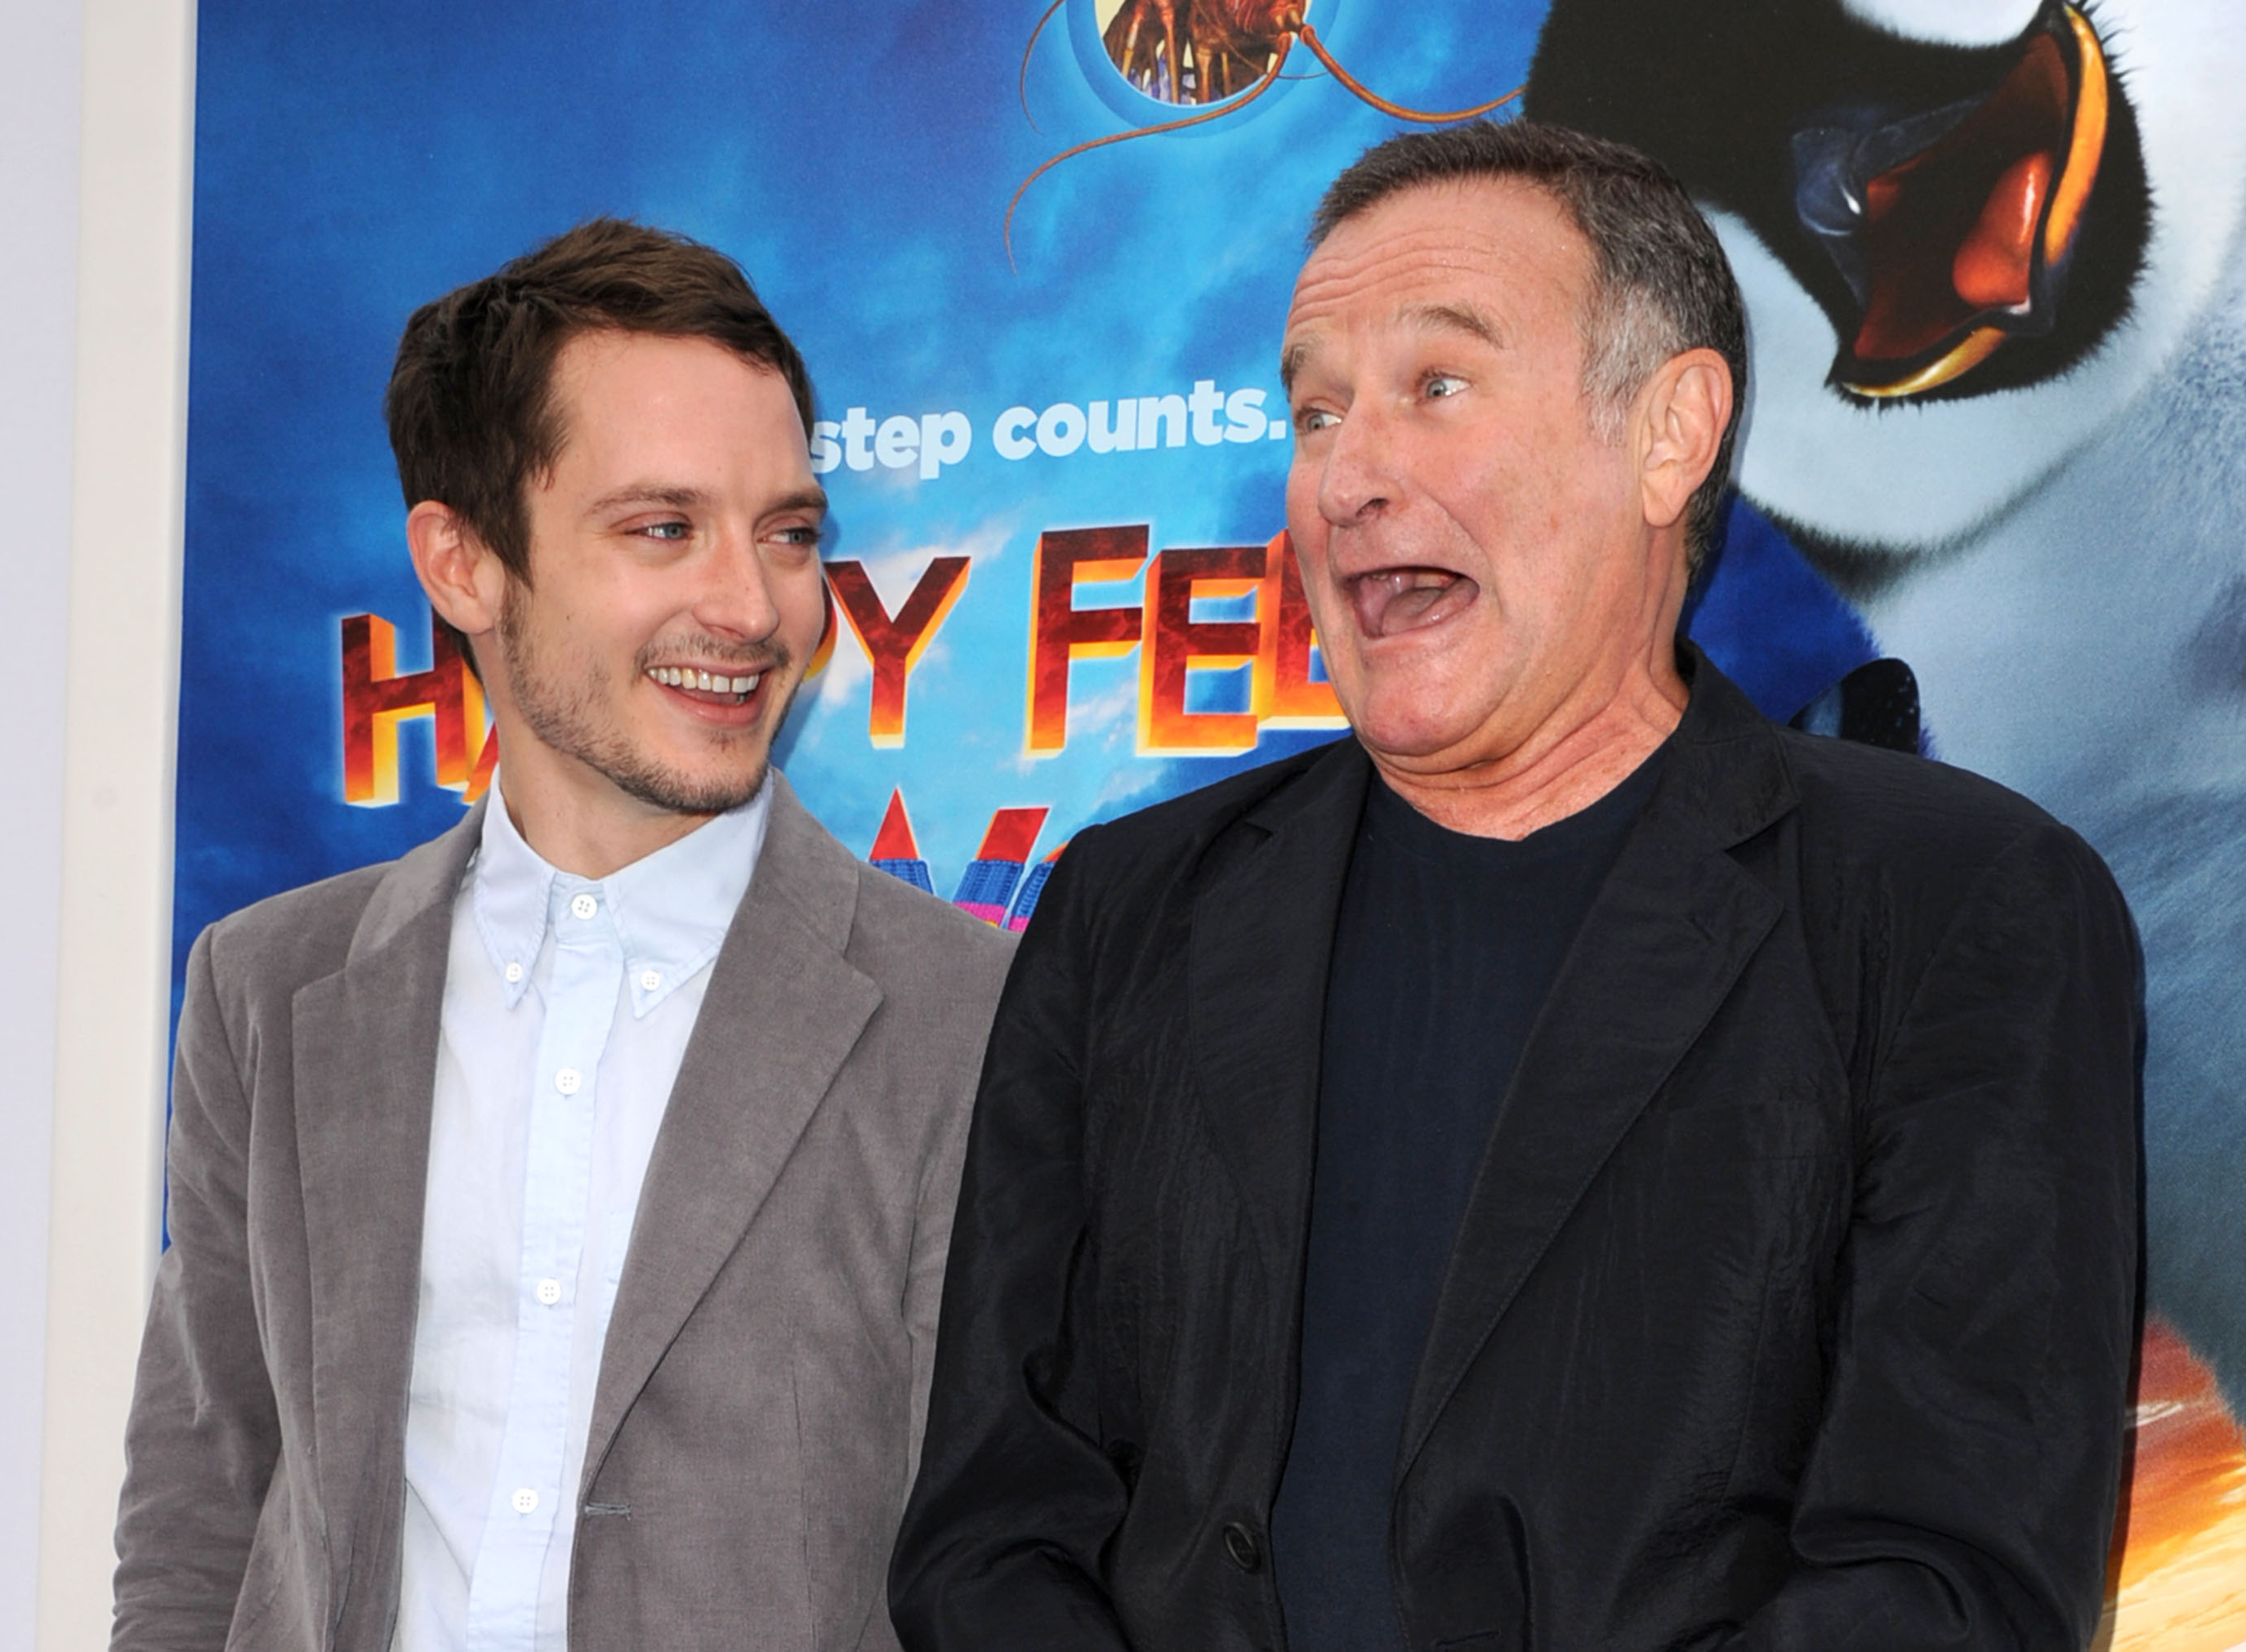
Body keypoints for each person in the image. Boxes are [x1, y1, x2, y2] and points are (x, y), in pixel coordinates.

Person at [891, 122, 2140, 1651]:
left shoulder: (1963, 909)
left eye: (1438, 386)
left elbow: (1955, 1579)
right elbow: (994, 1527)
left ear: (1671, 432)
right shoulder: (1128, 910)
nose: (1348, 473)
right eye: (1314, 409)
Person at [113, 221, 1016, 1652]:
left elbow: (996, 1566)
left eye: (788, 531)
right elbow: (206, 1496)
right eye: (664, 527)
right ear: (463, 563)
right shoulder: (269, 987)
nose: (754, 605)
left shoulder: (977, 1015)